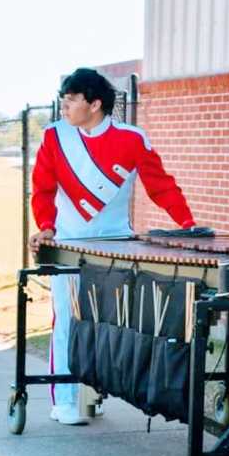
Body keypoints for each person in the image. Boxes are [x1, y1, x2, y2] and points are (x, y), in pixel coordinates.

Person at [29, 67, 196, 425]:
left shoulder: (132, 139)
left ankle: (96, 388)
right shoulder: (54, 137)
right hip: (68, 244)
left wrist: (187, 225)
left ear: (95, 103)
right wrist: (45, 226)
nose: (64, 105)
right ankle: (65, 399)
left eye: (71, 99)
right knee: (67, 320)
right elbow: (42, 189)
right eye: (64, 98)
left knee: (108, 323)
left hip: (117, 245)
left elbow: (161, 185)